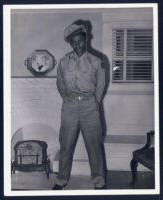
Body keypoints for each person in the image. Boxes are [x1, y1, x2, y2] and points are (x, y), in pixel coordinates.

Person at [52, 22, 106, 190]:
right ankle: (61, 180)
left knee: (94, 145)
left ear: (86, 39)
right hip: (70, 107)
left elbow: (101, 86)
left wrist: (91, 102)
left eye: (80, 41)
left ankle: (99, 181)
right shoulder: (63, 62)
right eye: (73, 42)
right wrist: (70, 101)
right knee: (66, 145)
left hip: (90, 107)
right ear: (70, 43)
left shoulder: (97, 61)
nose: (78, 45)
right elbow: (60, 85)